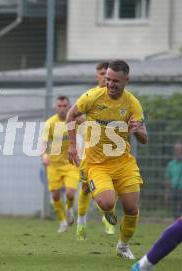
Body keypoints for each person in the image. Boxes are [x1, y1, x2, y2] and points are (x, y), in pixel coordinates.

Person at [67, 59, 148, 259]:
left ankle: (122, 246)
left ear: (126, 80)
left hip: (123, 163)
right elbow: (70, 115)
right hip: (97, 164)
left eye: (115, 81)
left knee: (131, 208)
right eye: (107, 79)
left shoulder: (132, 104)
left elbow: (144, 139)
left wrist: (137, 130)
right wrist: (71, 146)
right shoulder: (93, 96)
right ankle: (104, 210)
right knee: (106, 202)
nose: (110, 84)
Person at [76, 61, 116, 240]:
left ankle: (107, 217)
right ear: (97, 76)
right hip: (90, 152)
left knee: (109, 188)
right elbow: (74, 116)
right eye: (101, 74)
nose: (104, 78)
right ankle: (81, 224)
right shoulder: (90, 96)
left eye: (106, 75)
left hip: (112, 152)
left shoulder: (118, 97)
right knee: (85, 188)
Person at [41, 96, 80, 233]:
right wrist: (45, 155)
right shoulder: (50, 123)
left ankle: (69, 209)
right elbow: (44, 143)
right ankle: (63, 222)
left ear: (69, 107)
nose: (62, 109)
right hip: (54, 165)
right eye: (59, 106)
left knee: (70, 193)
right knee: (56, 196)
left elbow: (87, 136)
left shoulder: (75, 122)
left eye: (65, 106)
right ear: (56, 107)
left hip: (71, 163)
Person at [165, 143, 182, 218]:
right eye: (176, 150)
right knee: (175, 210)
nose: (178, 152)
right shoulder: (171, 164)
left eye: (180, 150)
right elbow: (168, 179)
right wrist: (167, 192)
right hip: (174, 189)